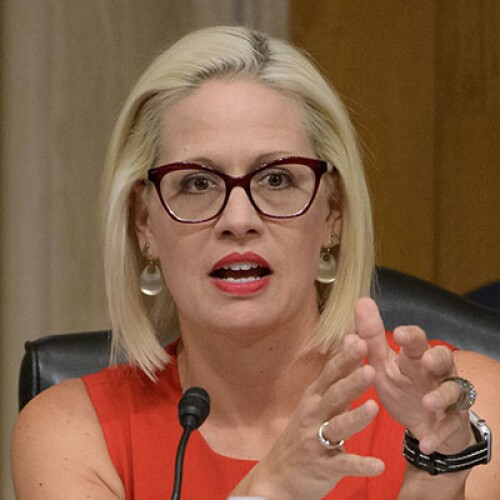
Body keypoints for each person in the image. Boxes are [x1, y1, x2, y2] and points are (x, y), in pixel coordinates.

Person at [11, 25, 500, 499]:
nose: (238, 218)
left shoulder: (461, 401)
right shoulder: (73, 431)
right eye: (197, 184)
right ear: (144, 224)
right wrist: (272, 489)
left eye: (277, 179)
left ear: (332, 212)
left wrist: (436, 478)